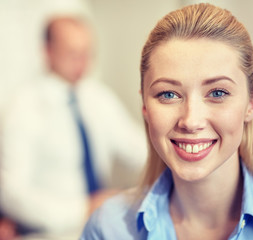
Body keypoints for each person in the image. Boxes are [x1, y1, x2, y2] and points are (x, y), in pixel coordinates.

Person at [81, 4, 253, 239]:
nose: (191, 120)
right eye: (168, 94)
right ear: (144, 105)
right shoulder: (109, 227)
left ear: (250, 103)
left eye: (217, 93)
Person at [0, 16, 147, 237]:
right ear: (47, 51)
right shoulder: (23, 107)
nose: (82, 62)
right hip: (47, 231)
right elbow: (11, 193)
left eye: (87, 53)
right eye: (72, 53)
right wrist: (82, 208)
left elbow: (139, 149)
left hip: (99, 225)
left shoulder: (97, 97)